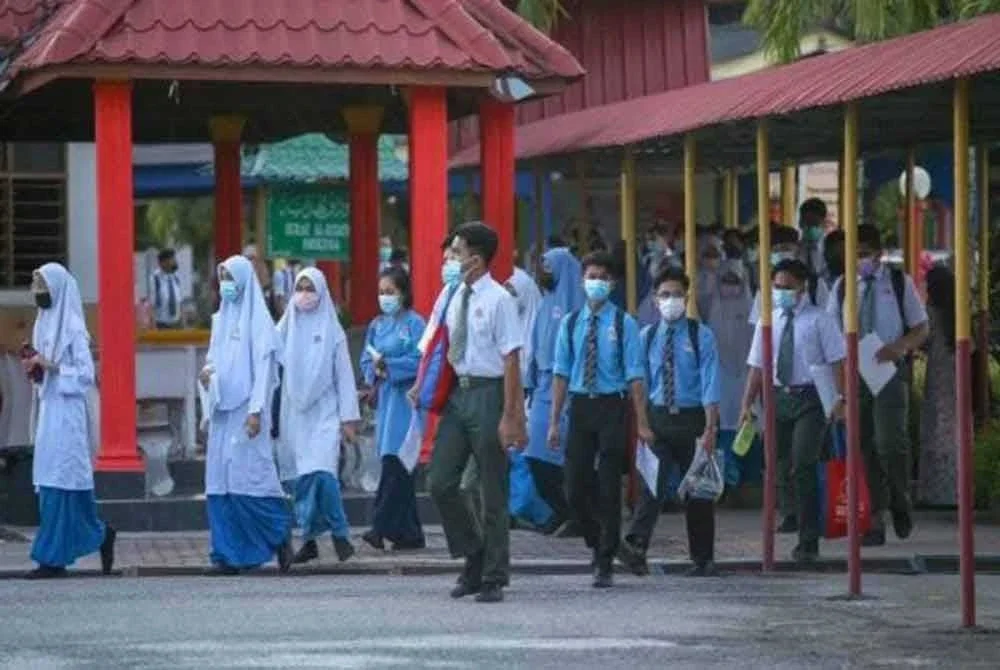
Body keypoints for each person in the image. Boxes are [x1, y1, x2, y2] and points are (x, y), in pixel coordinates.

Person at [426, 221, 526, 604]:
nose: (450, 258)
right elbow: (443, 346)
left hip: (489, 394)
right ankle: (474, 552)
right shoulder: (454, 295)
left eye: (457, 251)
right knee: (440, 480)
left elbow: (512, 359)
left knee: (491, 488)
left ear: (477, 258)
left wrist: (511, 415)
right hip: (459, 394)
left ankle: (493, 576)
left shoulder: (499, 300)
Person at [549, 250, 651, 589]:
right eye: (590, 277)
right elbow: (561, 373)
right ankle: (602, 541)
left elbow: (635, 375)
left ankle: (604, 560)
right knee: (574, 487)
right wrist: (553, 421)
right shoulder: (571, 323)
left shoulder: (624, 324)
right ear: (581, 281)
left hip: (612, 405)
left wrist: (642, 421)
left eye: (602, 278)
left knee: (609, 487)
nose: (596, 283)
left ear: (612, 283)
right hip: (580, 406)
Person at [827, 224, 929, 545]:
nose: (859, 261)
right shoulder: (843, 287)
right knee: (863, 447)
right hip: (856, 374)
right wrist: (839, 390)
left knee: (890, 443)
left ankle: (900, 498)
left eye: (864, 255)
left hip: (888, 371)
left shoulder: (898, 283)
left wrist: (898, 348)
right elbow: (831, 337)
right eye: (853, 255)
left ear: (878, 254)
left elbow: (921, 327)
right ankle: (875, 517)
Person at [618, 266, 721, 577]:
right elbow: (640, 383)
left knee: (698, 491)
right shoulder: (647, 337)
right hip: (659, 419)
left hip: (692, 420)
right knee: (652, 486)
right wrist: (642, 423)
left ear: (686, 296)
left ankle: (703, 558)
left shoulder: (700, 335)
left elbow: (710, 383)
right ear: (654, 298)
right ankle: (635, 547)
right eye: (665, 295)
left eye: (677, 294)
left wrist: (710, 427)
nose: (671, 300)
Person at [742, 259, 846, 563]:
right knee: (776, 463)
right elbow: (757, 367)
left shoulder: (820, 320)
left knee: (803, 464)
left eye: (787, 287)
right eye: (776, 287)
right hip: (776, 398)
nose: (781, 292)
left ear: (803, 287)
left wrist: (841, 400)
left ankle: (808, 538)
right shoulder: (767, 320)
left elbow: (838, 362)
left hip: (811, 398)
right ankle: (789, 514)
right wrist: (746, 403)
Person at [199, 255, 292, 575]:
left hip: (247, 412)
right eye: (221, 277)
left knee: (250, 480)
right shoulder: (220, 320)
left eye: (229, 278)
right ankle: (226, 553)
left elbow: (265, 373)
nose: (225, 285)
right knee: (219, 482)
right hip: (222, 411)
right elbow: (212, 360)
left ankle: (278, 533)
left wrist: (256, 412)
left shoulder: (259, 324)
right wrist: (206, 377)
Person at [23, 263, 116, 579]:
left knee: (66, 481)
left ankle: (53, 557)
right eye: (35, 286)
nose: (39, 293)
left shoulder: (74, 328)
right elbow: (43, 371)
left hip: (69, 414)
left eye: (43, 287)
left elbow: (86, 375)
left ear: (58, 289)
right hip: (50, 411)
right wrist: (35, 370)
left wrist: (51, 367)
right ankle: (100, 535)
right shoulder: (41, 324)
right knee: (51, 480)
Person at [276, 267, 359, 565]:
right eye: (300, 287)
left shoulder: (332, 330)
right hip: (295, 414)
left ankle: (339, 533)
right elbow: (267, 356)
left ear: (322, 291)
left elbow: (344, 375)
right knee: (303, 481)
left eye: (311, 288)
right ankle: (309, 539)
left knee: (324, 476)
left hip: (325, 412)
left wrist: (348, 418)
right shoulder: (286, 326)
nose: (305, 295)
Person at [360, 267, 427, 551]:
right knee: (394, 463)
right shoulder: (377, 325)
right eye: (381, 292)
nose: (385, 297)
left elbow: (421, 361)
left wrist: (391, 366)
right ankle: (410, 534)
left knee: (396, 465)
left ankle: (379, 526)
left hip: (407, 401)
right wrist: (374, 370)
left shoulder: (415, 323)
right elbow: (366, 359)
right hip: (387, 401)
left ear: (403, 293)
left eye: (390, 292)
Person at [524, 245, 584, 534]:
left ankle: (574, 515)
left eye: (548, 267)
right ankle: (560, 510)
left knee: (562, 459)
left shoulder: (578, 308)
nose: (542, 273)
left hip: (568, 389)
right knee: (534, 456)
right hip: (542, 390)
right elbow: (533, 345)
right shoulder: (544, 303)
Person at [704, 260, 756, 488]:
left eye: (735, 281)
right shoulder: (711, 308)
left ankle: (749, 480)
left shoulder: (751, 307)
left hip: (747, 373)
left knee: (749, 423)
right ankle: (726, 482)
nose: (730, 286)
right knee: (723, 425)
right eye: (725, 281)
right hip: (720, 375)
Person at [919, 265, 968, 506]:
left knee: (936, 429)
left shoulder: (930, 312)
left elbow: (922, 340)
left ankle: (935, 492)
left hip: (937, 374)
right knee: (956, 431)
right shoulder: (959, 313)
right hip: (958, 372)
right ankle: (959, 489)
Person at [151, 248, 183, 329]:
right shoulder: (155, 279)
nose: (174, 262)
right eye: (172, 259)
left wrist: (183, 322)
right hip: (161, 324)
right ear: (163, 262)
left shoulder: (176, 277)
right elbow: (151, 304)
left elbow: (180, 301)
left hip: (176, 323)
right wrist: (153, 325)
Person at [798, 198, 828, 277]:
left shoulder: (829, 248)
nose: (809, 227)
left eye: (814, 224)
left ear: (824, 223)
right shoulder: (795, 249)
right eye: (806, 223)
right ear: (800, 223)